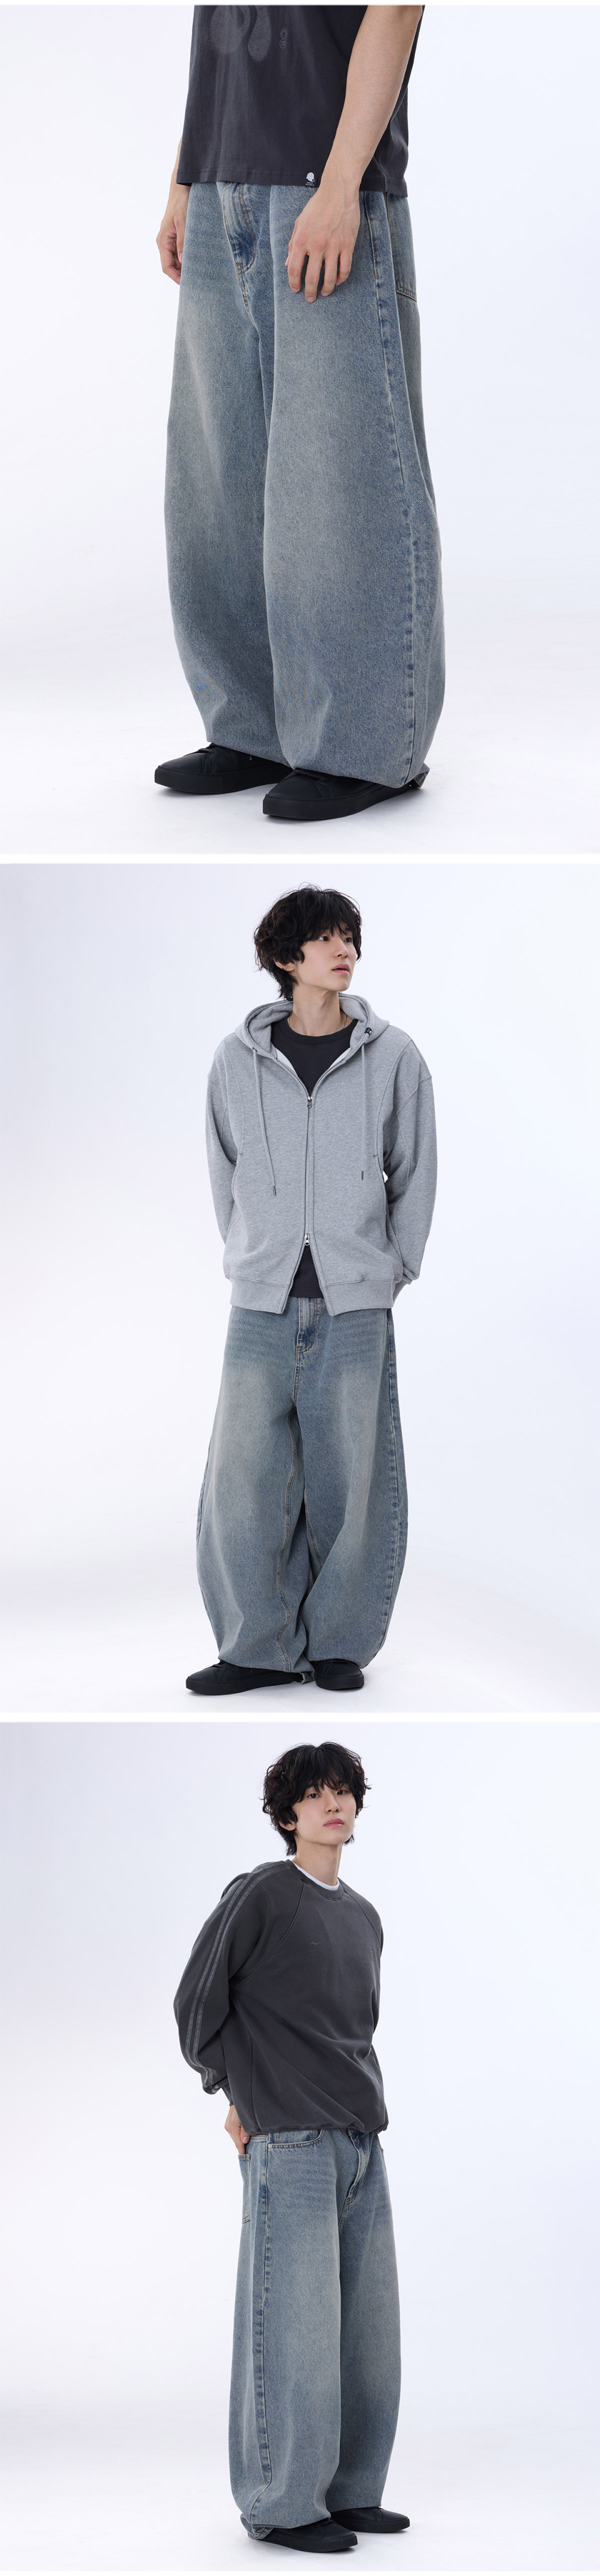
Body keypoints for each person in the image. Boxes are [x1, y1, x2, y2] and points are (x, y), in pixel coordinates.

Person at [156, 5, 444, 825]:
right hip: (221, 180)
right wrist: (184, 181)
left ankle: (364, 747)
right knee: (219, 481)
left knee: (340, 478)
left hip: (325, 182)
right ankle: (252, 729)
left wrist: (344, 182)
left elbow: (396, 7)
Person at [186, 883, 436, 1696]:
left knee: (351, 1483)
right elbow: (224, 1168)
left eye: (350, 937)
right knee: (243, 1483)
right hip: (260, 1301)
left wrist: (391, 1269)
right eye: (326, 938)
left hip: (354, 1300)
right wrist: (251, 1253)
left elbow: (415, 1170)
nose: (345, 950)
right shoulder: (236, 1060)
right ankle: (255, 1648)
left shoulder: (393, 1056)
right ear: (286, 957)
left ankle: (337, 1646)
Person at [174, 1738, 410, 2553]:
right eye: (313, 1794)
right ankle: (282, 2505)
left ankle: (350, 2492)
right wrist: (231, 2092)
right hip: (293, 2141)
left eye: (343, 1791)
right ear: (287, 1815)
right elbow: (198, 2004)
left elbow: (355, 2031)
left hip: (361, 2141)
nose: (331, 1804)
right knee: (297, 2332)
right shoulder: (264, 1894)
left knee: (367, 2336)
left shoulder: (365, 1917)